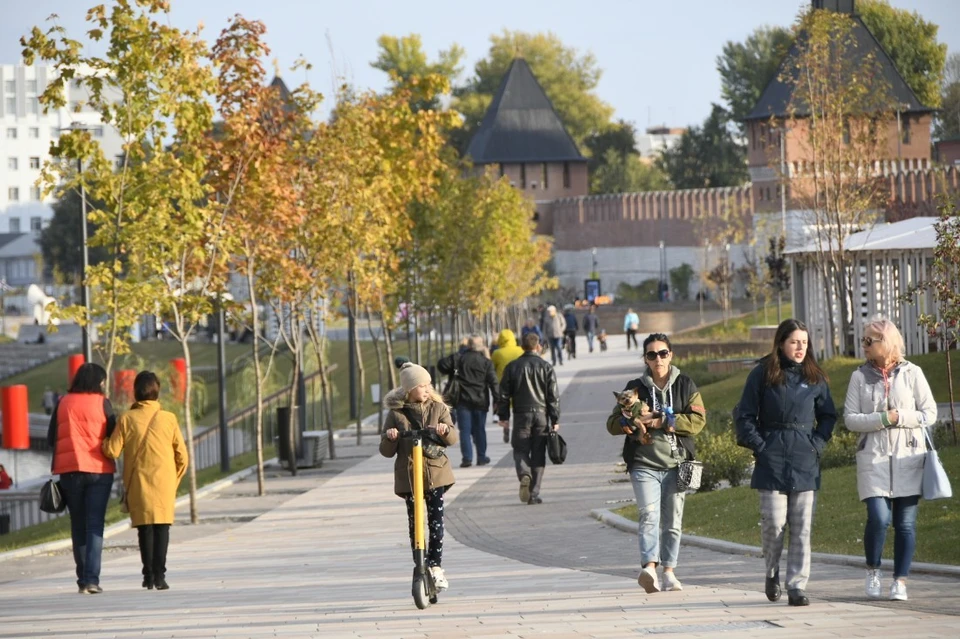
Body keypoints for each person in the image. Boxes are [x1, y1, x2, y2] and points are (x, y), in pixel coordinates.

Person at [735, 318, 837, 607]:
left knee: (802, 526)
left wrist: (817, 444)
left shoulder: (816, 377)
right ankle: (771, 571)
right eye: (794, 341)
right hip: (772, 457)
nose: (800, 347)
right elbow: (744, 416)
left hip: (805, 458)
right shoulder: (762, 374)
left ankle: (796, 585)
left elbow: (828, 416)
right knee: (774, 523)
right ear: (781, 343)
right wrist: (760, 446)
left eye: (804, 342)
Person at [843, 319, 938, 602]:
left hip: (910, 458)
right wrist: (883, 419)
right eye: (863, 340)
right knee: (879, 518)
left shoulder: (913, 373)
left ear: (886, 342)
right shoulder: (858, 377)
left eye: (869, 341)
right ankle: (873, 569)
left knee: (906, 525)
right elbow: (850, 419)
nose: (864, 345)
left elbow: (929, 413)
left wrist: (903, 418)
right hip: (873, 460)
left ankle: (900, 581)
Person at [606, 333, 706, 593]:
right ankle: (649, 567)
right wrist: (626, 423)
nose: (658, 359)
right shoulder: (634, 386)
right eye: (652, 355)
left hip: (677, 464)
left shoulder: (685, 384)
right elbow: (611, 424)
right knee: (649, 515)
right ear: (645, 359)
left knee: (672, 521)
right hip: (644, 464)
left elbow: (698, 422)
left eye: (663, 353)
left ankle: (669, 572)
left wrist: (662, 422)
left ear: (670, 355)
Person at [102, 371, 188, 591]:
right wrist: (173, 481)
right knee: (162, 528)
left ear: (136, 393)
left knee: (145, 529)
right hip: (165, 483)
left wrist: (103, 440)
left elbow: (112, 451)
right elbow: (183, 458)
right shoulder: (169, 418)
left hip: (139, 482)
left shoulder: (126, 419)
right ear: (157, 392)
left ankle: (148, 576)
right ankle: (160, 576)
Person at [379, 362, 458, 591]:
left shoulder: (438, 408)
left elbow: (452, 439)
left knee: (436, 522)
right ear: (409, 389)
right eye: (422, 385)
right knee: (415, 525)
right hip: (410, 476)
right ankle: (420, 563)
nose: (427, 389)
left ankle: (435, 565)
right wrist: (391, 438)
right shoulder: (396, 414)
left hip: (435, 473)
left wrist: (444, 431)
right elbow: (385, 451)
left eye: (428, 385)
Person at [46, 363, 117, 594]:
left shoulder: (63, 403)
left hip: (69, 470)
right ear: (97, 381)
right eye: (103, 381)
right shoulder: (102, 403)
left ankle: (82, 580)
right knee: (95, 523)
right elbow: (114, 437)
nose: (104, 384)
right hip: (99, 470)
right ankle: (92, 580)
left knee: (78, 524)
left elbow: (51, 438)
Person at [498, 333, 560, 505]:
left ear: (522, 346)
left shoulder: (512, 367)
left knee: (520, 449)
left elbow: (503, 394)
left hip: (521, 414)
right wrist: (555, 419)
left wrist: (503, 416)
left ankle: (524, 473)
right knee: (539, 452)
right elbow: (553, 396)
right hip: (541, 414)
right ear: (538, 346)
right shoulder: (546, 366)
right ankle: (534, 493)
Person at [449, 335, 500, 468]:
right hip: (480, 400)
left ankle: (467, 458)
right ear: (481, 346)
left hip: (463, 400)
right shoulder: (486, 362)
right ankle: (481, 457)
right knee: (480, 430)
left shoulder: (460, 360)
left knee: (464, 430)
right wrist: (498, 400)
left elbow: (443, 364)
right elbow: (493, 382)